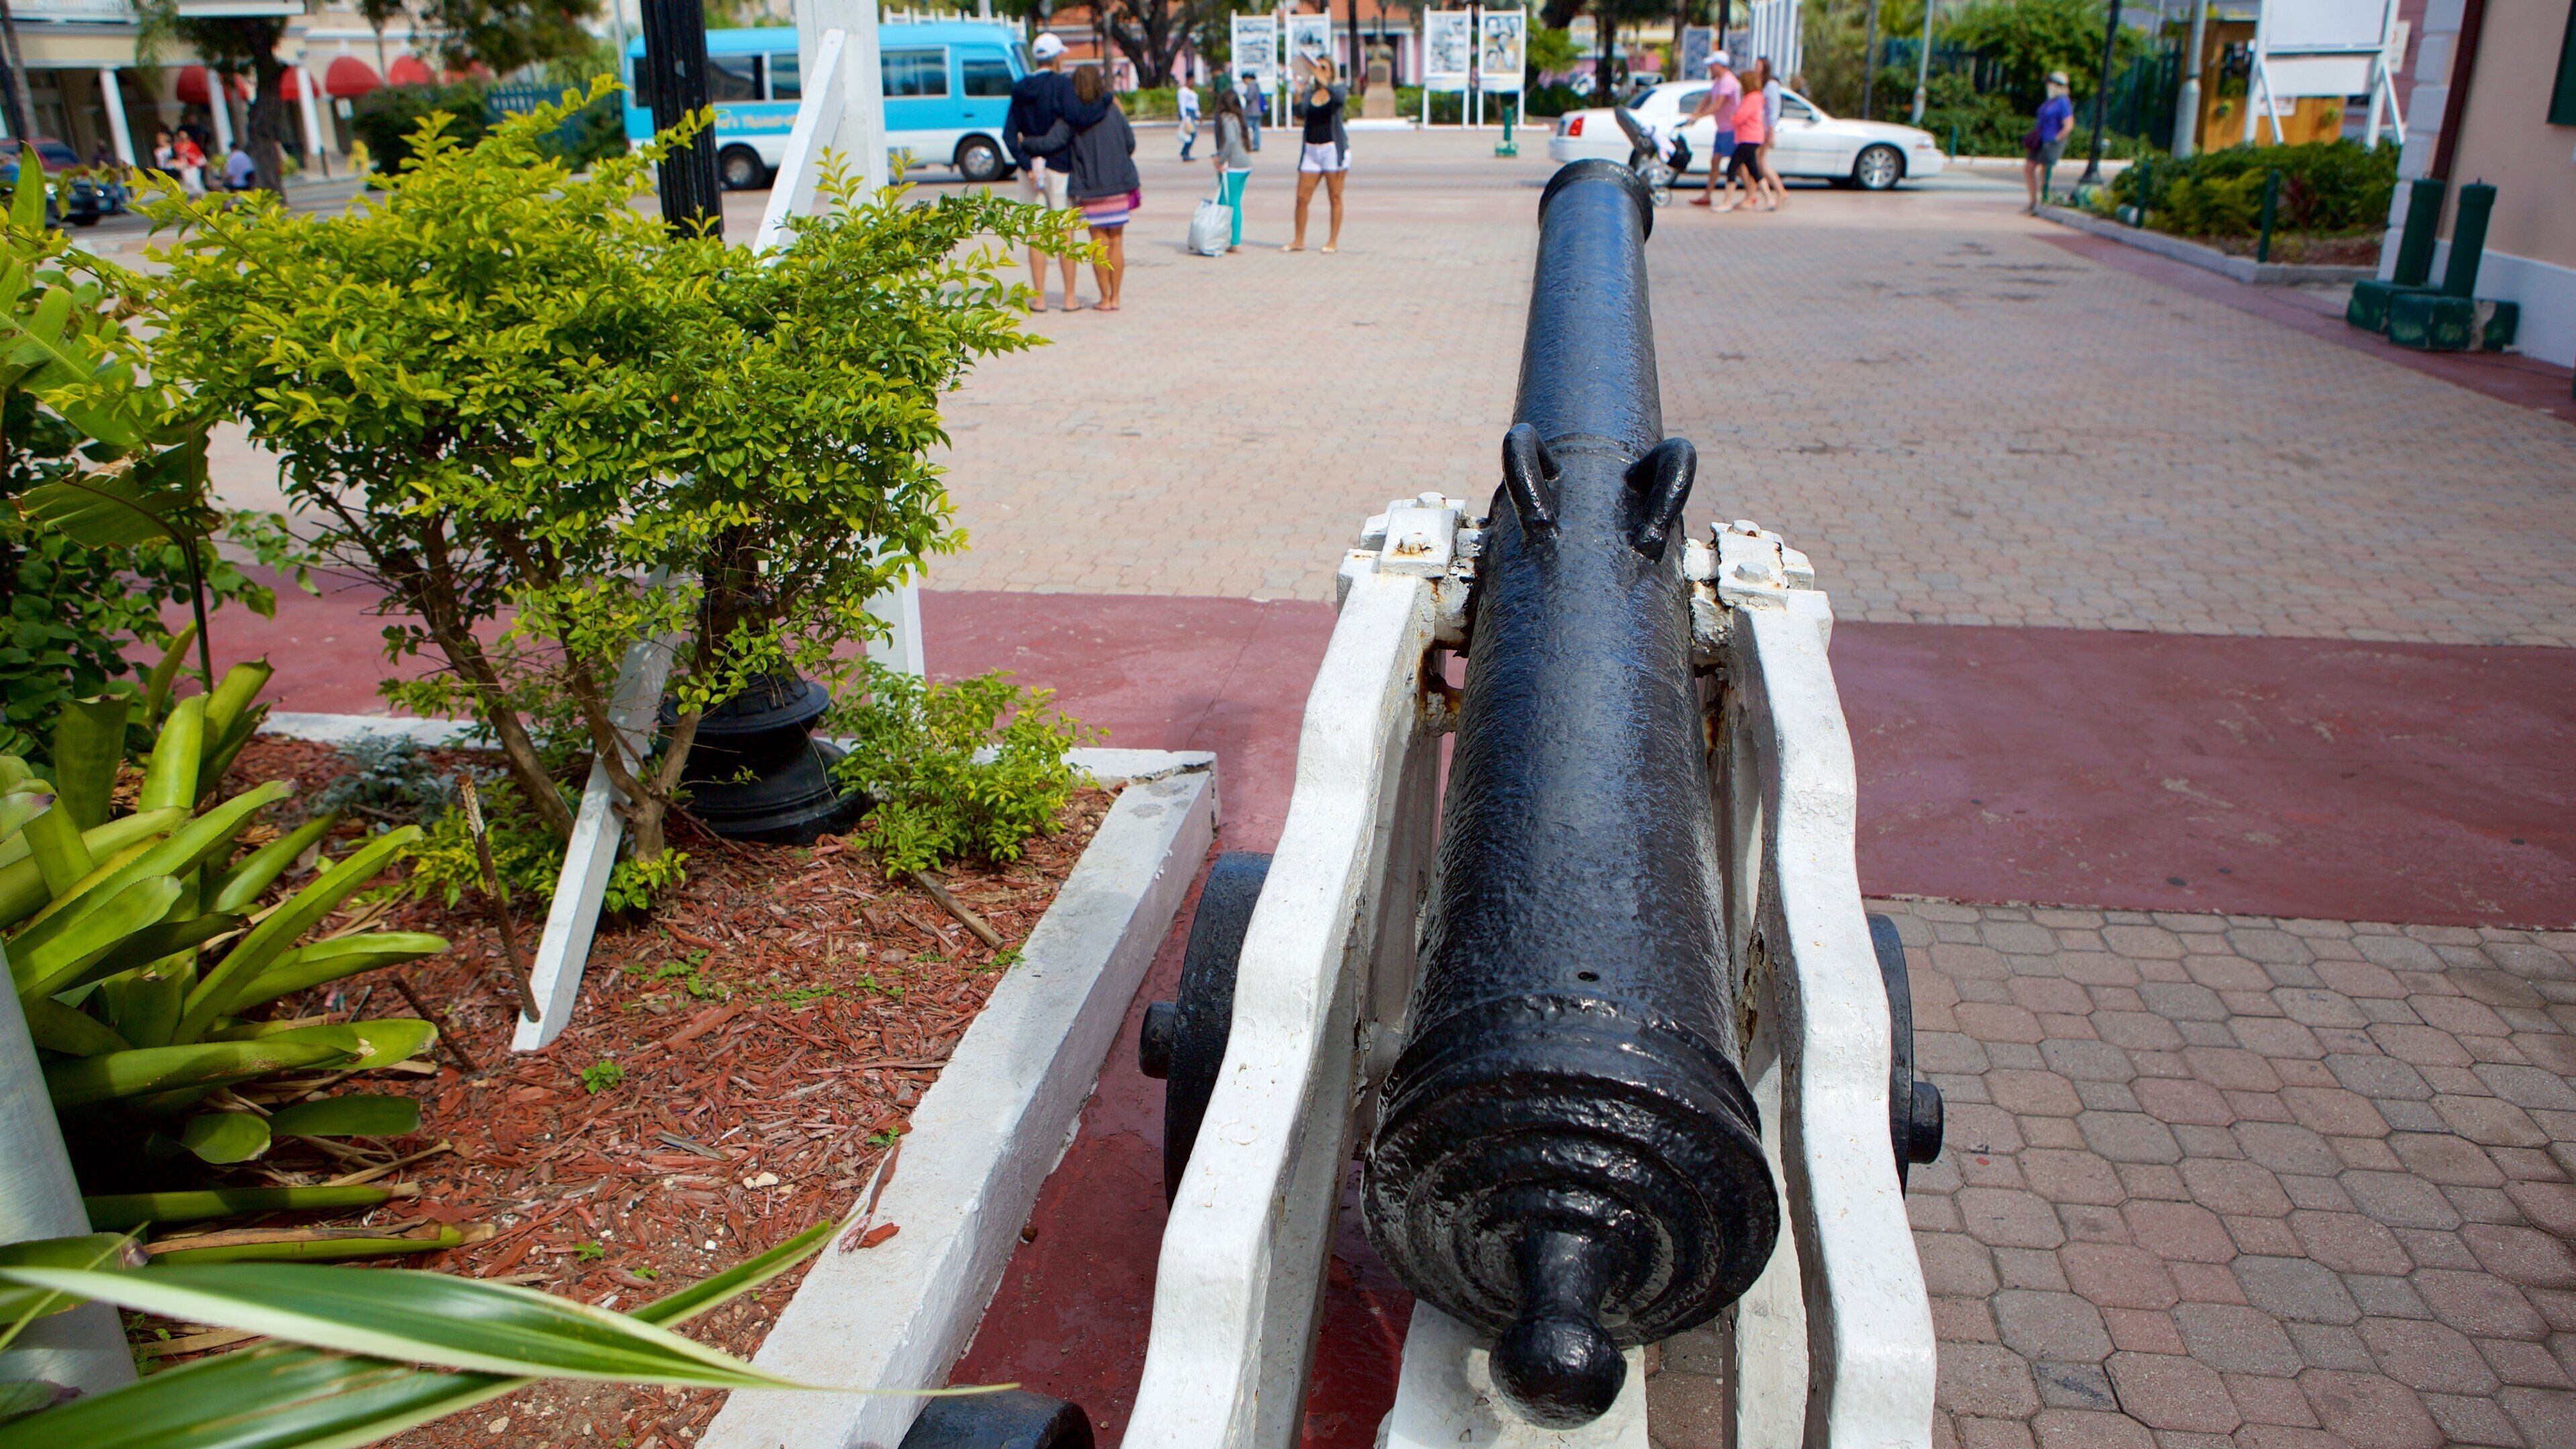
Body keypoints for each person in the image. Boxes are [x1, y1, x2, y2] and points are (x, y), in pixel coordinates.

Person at [1003, 34, 1110, 311]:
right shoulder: (1062, 85)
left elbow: (1008, 134)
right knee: (1065, 233)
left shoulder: (1020, 89)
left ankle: (1039, 298)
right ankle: (1069, 298)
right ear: (1058, 58)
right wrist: (1105, 101)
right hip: (1060, 166)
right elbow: (1078, 117)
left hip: (1030, 170)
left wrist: (1026, 163)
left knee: (1037, 233)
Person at [1064, 64, 1138, 312]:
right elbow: (1130, 142)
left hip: (1089, 187)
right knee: (1116, 243)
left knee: (1098, 245)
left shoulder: (1074, 116)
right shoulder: (1113, 110)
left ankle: (1104, 298)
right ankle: (1116, 297)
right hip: (1117, 185)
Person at [1287, 55, 1348, 253]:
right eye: (1316, 67)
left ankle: (1333, 241)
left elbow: (1340, 99)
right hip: (1311, 149)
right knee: (1302, 198)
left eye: (1323, 67)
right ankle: (1299, 240)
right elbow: (1299, 113)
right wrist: (1298, 93)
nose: (1318, 70)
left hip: (1332, 148)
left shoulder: (1337, 89)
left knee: (1335, 197)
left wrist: (1323, 78)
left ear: (1331, 71)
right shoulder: (1310, 94)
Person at [1686, 52, 1741, 208]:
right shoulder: (1718, 81)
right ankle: (1707, 195)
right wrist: (1696, 112)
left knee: (1739, 164)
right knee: (1715, 161)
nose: (1710, 68)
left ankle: (1751, 193)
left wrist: (1699, 117)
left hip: (1730, 128)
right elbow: (1707, 99)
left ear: (1720, 65)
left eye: (1712, 65)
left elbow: (1718, 104)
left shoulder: (1728, 81)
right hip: (1722, 128)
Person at [2023, 70, 2075, 213]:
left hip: (2051, 141)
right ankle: (2033, 201)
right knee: (2029, 168)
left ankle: (2043, 200)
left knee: (2045, 171)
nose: (2048, 85)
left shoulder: (2063, 102)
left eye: (2051, 83)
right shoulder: (2050, 101)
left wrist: (2057, 138)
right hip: (2040, 140)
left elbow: (2068, 125)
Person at [1210, 85, 1254, 252]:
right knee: (1235, 202)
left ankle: (1221, 239)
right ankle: (1234, 240)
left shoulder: (1226, 118)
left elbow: (1230, 141)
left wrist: (1221, 160)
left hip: (1234, 165)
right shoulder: (1236, 117)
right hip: (1244, 164)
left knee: (1224, 202)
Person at [1723, 64, 1771, 213]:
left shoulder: (1752, 98)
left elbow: (1741, 117)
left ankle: (1727, 202)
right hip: (1752, 137)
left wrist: (1733, 118)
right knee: (1754, 170)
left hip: (1748, 138)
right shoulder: (1757, 97)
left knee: (1732, 167)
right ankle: (1770, 199)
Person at [1756, 60, 1787, 209]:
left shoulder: (1771, 86)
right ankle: (1778, 191)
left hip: (1765, 129)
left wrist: (1771, 131)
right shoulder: (1760, 85)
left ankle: (1779, 191)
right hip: (1759, 128)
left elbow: (1773, 111)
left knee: (1760, 163)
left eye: (1758, 66)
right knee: (1759, 163)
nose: (1756, 68)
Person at [172, 131, 207, 198]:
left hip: (193, 165)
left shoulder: (193, 145)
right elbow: (177, 155)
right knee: (188, 181)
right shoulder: (178, 146)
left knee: (195, 181)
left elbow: (198, 155)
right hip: (184, 165)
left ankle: (201, 195)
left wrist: (190, 156)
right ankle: (196, 194)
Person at [1176, 78, 1200, 160]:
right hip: (1188, 114)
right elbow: (1182, 104)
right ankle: (1185, 153)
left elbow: (1195, 105)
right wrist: (1184, 117)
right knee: (1192, 133)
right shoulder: (1183, 91)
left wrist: (1198, 114)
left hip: (1192, 113)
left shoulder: (1192, 92)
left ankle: (1185, 152)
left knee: (1192, 134)